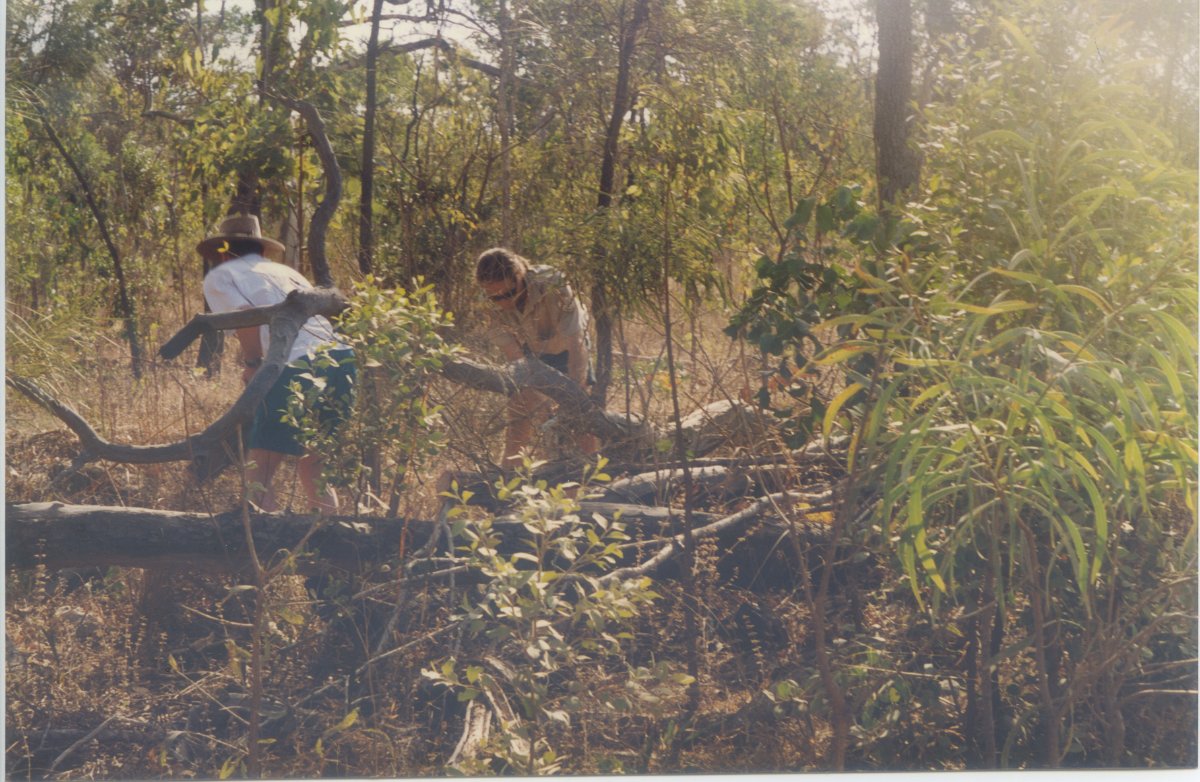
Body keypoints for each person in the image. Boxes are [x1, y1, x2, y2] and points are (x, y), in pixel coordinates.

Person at [198, 213, 355, 512]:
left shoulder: (221, 274)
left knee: (261, 473)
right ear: (260, 248)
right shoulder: (289, 273)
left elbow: (245, 317)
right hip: (341, 361)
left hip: (294, 364)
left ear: (223, 250)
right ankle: (331, 544)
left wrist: (254, 363)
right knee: (315, 468)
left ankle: (264, 549)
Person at [475, 247, 599, 468]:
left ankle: (592, 472)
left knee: (580, 416)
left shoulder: (552, 283)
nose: (503, 302)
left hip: (568, 347)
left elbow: (576, 342)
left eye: (509, 294)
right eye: (495, 297)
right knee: (519, 411)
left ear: (521, 275)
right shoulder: (486, 304)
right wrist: (542, 410)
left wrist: (574, 390)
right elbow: (516, 358)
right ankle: (508, 476)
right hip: (533, 353)